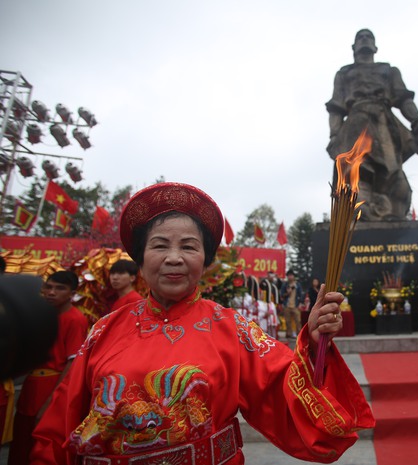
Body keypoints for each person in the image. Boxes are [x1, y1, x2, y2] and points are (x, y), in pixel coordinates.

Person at [30, 182, 374, 465]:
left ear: (206, 261)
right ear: (141, 258)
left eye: (189, 247)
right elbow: (59, 426)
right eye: (160, 245)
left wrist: (313, 343)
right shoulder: (104, 331)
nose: (174, 257)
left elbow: (283, 390)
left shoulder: (232, 328)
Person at [326, 29, 418, 221]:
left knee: (391, 170)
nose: (364, 40)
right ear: (353, 47)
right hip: (356, 122)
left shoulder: (388, 71)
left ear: (375, 46)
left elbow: (403, 99)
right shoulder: (344, 74)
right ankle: (360, 209)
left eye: (368, 37)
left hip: (383, 122)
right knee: (356, 167)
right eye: (360, 37)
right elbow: (336, 108)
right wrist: (334, 135)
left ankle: (389, 211)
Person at [9, 271, 88, 465]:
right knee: (21, 442)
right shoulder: (43, 315)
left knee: (40, 445)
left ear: (72, 293)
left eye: (59, 288)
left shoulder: (75, 319)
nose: (52, 292)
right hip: (32, 385)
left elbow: (72, 363)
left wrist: (52, 402)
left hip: (51, 386)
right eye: (48, 287)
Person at [280, 270, 303, 339]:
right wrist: (287, 293)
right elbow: (281, 295)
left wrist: (300, 303)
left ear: (294, 276)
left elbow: (301, 295)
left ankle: (299, 334)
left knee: (298, 320)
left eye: (291, 275)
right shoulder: (285, 285)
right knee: (287, 321)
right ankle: (289, 334)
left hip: (295, 305)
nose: (290, 277)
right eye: (288, 276)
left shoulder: (297, 285)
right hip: (287, 305)